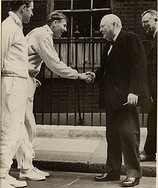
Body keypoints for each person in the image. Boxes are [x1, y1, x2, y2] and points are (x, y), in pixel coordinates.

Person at [15, 11, 92, 181]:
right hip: (22, 81)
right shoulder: (43, 35)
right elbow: (54, 64)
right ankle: (25, 168)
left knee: (25, 126)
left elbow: (29, 59)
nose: (65, 30)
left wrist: (33, 78)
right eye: (64, 25)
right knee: (27, 126)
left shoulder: (39, 33)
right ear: (54, 22)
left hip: (26, 79)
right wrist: (78, 75)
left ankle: (27, 165)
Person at [87, 14, 150, 187]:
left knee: (129, 136)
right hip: (111, 100)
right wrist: (95, 75)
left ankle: (133, 173)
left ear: (114, 24)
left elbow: (138, 65)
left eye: (102, 26)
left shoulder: (130, 38)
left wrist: (135, 92)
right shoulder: (108, 45)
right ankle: (112, 171)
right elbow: (107, 69)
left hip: (126, 99)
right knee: (112, 136)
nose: (99, 30)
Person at [1, 0, 34, 188]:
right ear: (23, 8)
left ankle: (4, 172)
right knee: (8, 129)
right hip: (11, 83)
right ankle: (0, 174)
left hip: (18, 83)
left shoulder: (15, 27)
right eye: (31, 10)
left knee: (16, 130)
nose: (32, 14)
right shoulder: (7, 27)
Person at [140, 10, 157, 162]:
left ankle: (149, 152)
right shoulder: (154, 39)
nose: (143, 25)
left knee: (153, 120)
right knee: (153, 119)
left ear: (156, 20)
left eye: (147, 22)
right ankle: (149, 151)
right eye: (143, 22)